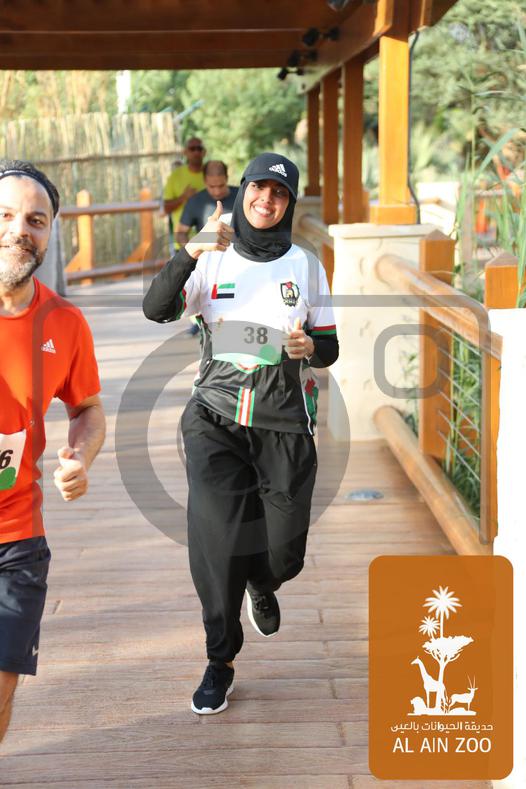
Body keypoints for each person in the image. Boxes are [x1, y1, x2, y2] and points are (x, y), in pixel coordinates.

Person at [143, 152, 338, 715]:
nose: (266, 200)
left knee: (284, 556)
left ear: (289, 204)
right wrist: (191, 250)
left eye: (279, 193)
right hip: (215, 420)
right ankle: (219, 660)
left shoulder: (306, 266)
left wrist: (310, 347)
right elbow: (156, 308)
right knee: (218, 542)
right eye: (259, 188)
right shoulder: (212, 257)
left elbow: (329, 347)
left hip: (285, 425)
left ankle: (262, 581)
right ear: (242, 190)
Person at [0, 159, 105, 743]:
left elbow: (88, 409)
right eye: (5, 215)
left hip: (17, 534)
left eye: (35, 220)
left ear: (49, 233)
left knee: (1, 684)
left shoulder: (64, 322)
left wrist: (80, 458)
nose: (20, 230)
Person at [175, 160, 239, 247]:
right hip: (208, 253)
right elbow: (180, 233)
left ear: (226, 178)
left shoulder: (242, 196)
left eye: (221, 185)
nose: (217, 192)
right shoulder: (195, 201)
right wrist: (193, 250)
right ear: (204, 181)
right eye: (212, 186)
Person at [163, 136, 206, 239]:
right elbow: (166, 208)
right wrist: (184, 197)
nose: (196, 152)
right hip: (183, 240)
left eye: (199, 148)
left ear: (204, 152)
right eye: (192, 149)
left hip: (210, 239)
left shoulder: (211, 173)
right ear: (185, 152)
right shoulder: (175, 176)